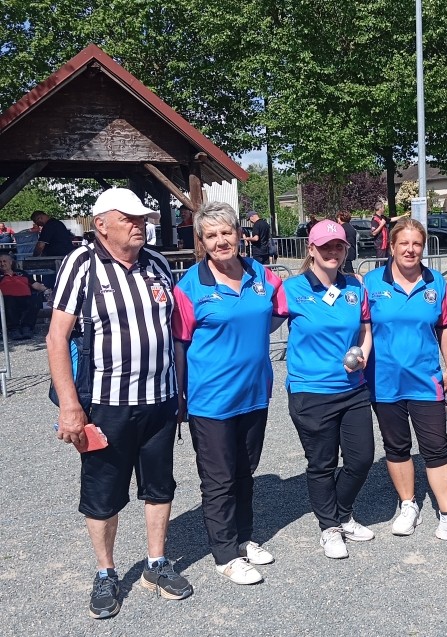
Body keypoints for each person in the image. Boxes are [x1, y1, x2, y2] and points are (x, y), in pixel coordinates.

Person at [48, 188, 192, 619]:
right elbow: (57, 337)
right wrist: (70, 406)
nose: (140, 224)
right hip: (107, 404)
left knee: (159, 486)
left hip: (160, 399)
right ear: (101, 225)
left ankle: (156, 562)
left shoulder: (158, 264)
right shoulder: (81, 264)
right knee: (103, 492)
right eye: (129, 218)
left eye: (142, 218)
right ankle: (106, 572)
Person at [173, 202, 281, 585]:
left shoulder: (261, 275)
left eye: (226, 232)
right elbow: (180, 344)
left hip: (253, 394)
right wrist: (180, 399)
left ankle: (244, 539)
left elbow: (278, 312)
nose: (221, 241)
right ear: (201, 242)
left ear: (239, 234)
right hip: (211, 399)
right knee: (218, 479)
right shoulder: (189, 287)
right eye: (212, 235)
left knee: (244, 472)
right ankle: (224, 553)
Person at [364, 218, 447, 549]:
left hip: (426, 379)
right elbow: (360, 328)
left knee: (436, 446)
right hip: (383, 380)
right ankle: (408, 505)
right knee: (397, 446)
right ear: (392, 245)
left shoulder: (436, 283)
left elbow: (446, 327)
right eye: (404, 243)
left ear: (423, 246)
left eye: (417, 244)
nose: (410, 249)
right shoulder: (370, 283)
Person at [274, 219, 375, 559]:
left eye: (339, 246)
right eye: (325, 246)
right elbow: (261, 323)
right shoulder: (292, 289)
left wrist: (362, 354)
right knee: (322, 462)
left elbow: (365, 330)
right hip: (310, 391)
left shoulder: (354, 288)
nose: (333, 251)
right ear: (311, 249)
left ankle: (343, 513)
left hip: (352, 388)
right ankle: (329, 526)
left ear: (346, 250)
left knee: (361, 458)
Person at [0, 253, 48, 339]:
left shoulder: (21, 273)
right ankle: (14, 329)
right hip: (7, 299)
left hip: (25, 298)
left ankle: (27, 327)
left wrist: (46, 289)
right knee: (9, 300)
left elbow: (35, 284)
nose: (2, 263)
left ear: (11, 262)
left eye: (4, 261)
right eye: (0, 262)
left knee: (35, 299)